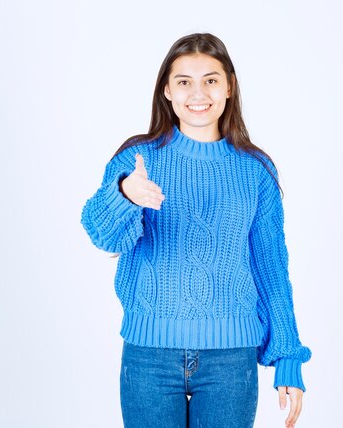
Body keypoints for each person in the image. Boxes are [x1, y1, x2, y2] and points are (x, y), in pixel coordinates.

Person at [80, 32, 311, 428]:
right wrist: (124, 195)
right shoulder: (137, 160)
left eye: (210, 79)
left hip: (231, 359)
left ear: (229, 87)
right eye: (184, 81)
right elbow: (102, 235)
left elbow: (271, 269)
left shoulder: (256, 171)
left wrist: (287, 356)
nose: (197, 92)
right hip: (149, 355)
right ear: (167, 91)